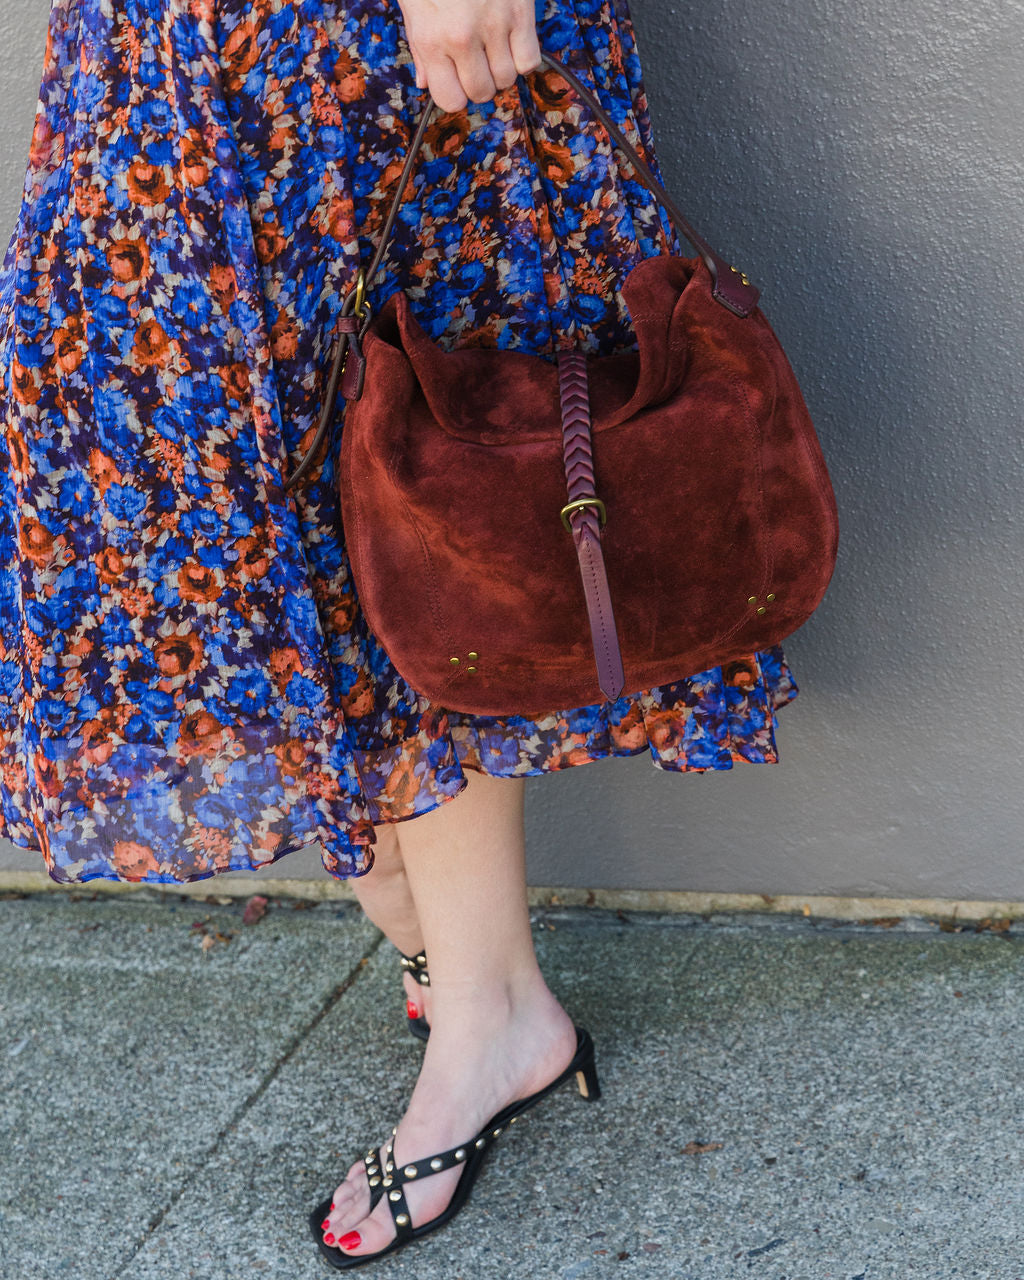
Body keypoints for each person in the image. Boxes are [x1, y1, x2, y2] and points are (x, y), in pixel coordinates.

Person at [0, 0, 797, 1267]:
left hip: (359, 38)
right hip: (163, 53)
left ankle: (488, 1008)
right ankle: (442, 935)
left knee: (419, 480)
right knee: (233, 484)